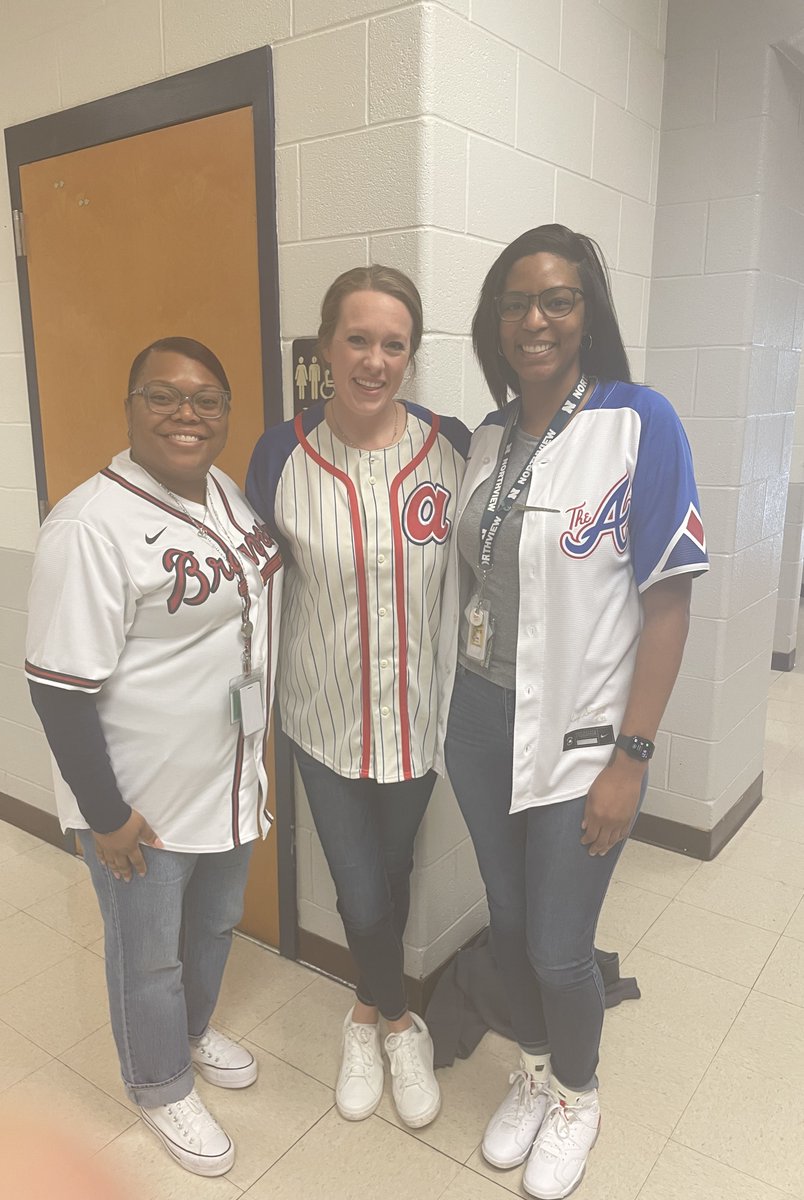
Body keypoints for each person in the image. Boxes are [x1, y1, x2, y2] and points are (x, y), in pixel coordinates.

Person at [436, 225, 708, 1198]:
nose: (535, 318)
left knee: (558, 942)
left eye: (557, 299)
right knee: (510, 926)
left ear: (587, 313)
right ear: (494, 320)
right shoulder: (489, 435)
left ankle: (578, 1092)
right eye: (516, 301)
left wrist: (630, 758)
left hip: (584, 732)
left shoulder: (640, 422)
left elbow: (667, 599)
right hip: (478, 721)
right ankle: (538, 1066)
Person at [25, 337, 282, 1178]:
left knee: (211, 925)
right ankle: (159, 1082)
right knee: (148, 954)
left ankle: (193, 1033)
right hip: (140, 798)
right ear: (130, 406)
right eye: (164, 396)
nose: (187, 414)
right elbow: (58, 689)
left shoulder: (225, 493)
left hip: (229, 779)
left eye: (207, 400)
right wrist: (107, 815)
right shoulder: (90, 526)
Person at [246, 266, 469, 1129]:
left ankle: (367, 1011)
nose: (374, 360)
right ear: (326, 345)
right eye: (358, 339)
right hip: (321, 715)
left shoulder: (450, 446)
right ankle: (392, 1020)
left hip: (418, 717)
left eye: (394, 344)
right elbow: (253, 589)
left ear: (410, 356)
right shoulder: (280, 453)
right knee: (359, 887)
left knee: (392, 872)